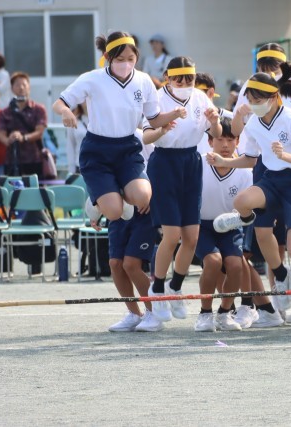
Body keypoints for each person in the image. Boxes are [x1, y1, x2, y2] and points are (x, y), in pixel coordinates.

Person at [208, 71, 291, 339]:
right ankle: (246, 218)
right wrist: (224, 162)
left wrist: (286, 155)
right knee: (241, 201)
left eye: (258, 98)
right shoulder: (255, 122)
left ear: (274, 97)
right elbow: (250, 159)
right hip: (271, 180)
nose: (254, 102)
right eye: (250, 98)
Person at [53, 31, 187, 224]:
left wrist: (173, 114)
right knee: (115, 213)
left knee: (143, 198)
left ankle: (115, 192)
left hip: (128, 149)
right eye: (120, 59)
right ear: (107, 58)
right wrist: (66, 112)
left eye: (131, 58)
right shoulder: (92, 79)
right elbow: (59, 102)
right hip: (97, 151)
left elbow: (155, 119)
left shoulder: (143, 80)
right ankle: (98, 201)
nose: (126, 64)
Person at [141, 57, 222, 324]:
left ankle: (176, 286)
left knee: (192, 235)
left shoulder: (199, 97)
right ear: (168, 77)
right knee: (172, 233)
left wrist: (214, 120)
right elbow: (146, 134)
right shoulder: (157, 98)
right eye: (179, 78)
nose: (185, 83)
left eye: (189, 78)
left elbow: (217, 131)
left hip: (191, 162)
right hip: (164, 162)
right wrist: (165, 125)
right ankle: (158, 286)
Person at [194, 118, 253, 332]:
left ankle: (225, 313)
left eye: (231, 140)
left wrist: (241, 217)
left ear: (238, 141)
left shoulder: (245, 171)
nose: (225, 145)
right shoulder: (198, 163)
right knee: (212, 261)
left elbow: (249, 207)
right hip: (201, 225)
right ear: (210, 142)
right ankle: (205, 313)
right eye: (220, 139)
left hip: (231, 225)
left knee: (236, 266)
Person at [103, 129, 160, 332]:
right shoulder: (99, 137)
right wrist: (96, 210)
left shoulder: (140, 135)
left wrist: (151, 197)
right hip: (118, 208)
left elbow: (156, 165)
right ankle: (134, 314)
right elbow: (100, 176)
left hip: (143, 209)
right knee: (115, 263)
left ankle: (154, 312)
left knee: (131, 264)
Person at [0, 71, 47, 178]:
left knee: (35, 192)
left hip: (34, 160)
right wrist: (9, 139)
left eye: (24, 85)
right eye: (17, 85)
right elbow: (1, 134)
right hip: (11, 160)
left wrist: (23, 138)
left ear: (29, 87)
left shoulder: (38, 109)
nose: (21, 88)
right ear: (12, 88)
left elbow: (39, 132)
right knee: (12, 193)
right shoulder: (5, 112)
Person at [65, 102, 88, 174]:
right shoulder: (73, 120)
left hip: (100, 166)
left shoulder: (102, 119)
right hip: (80, 166)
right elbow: (70, 146)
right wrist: (71, 170)